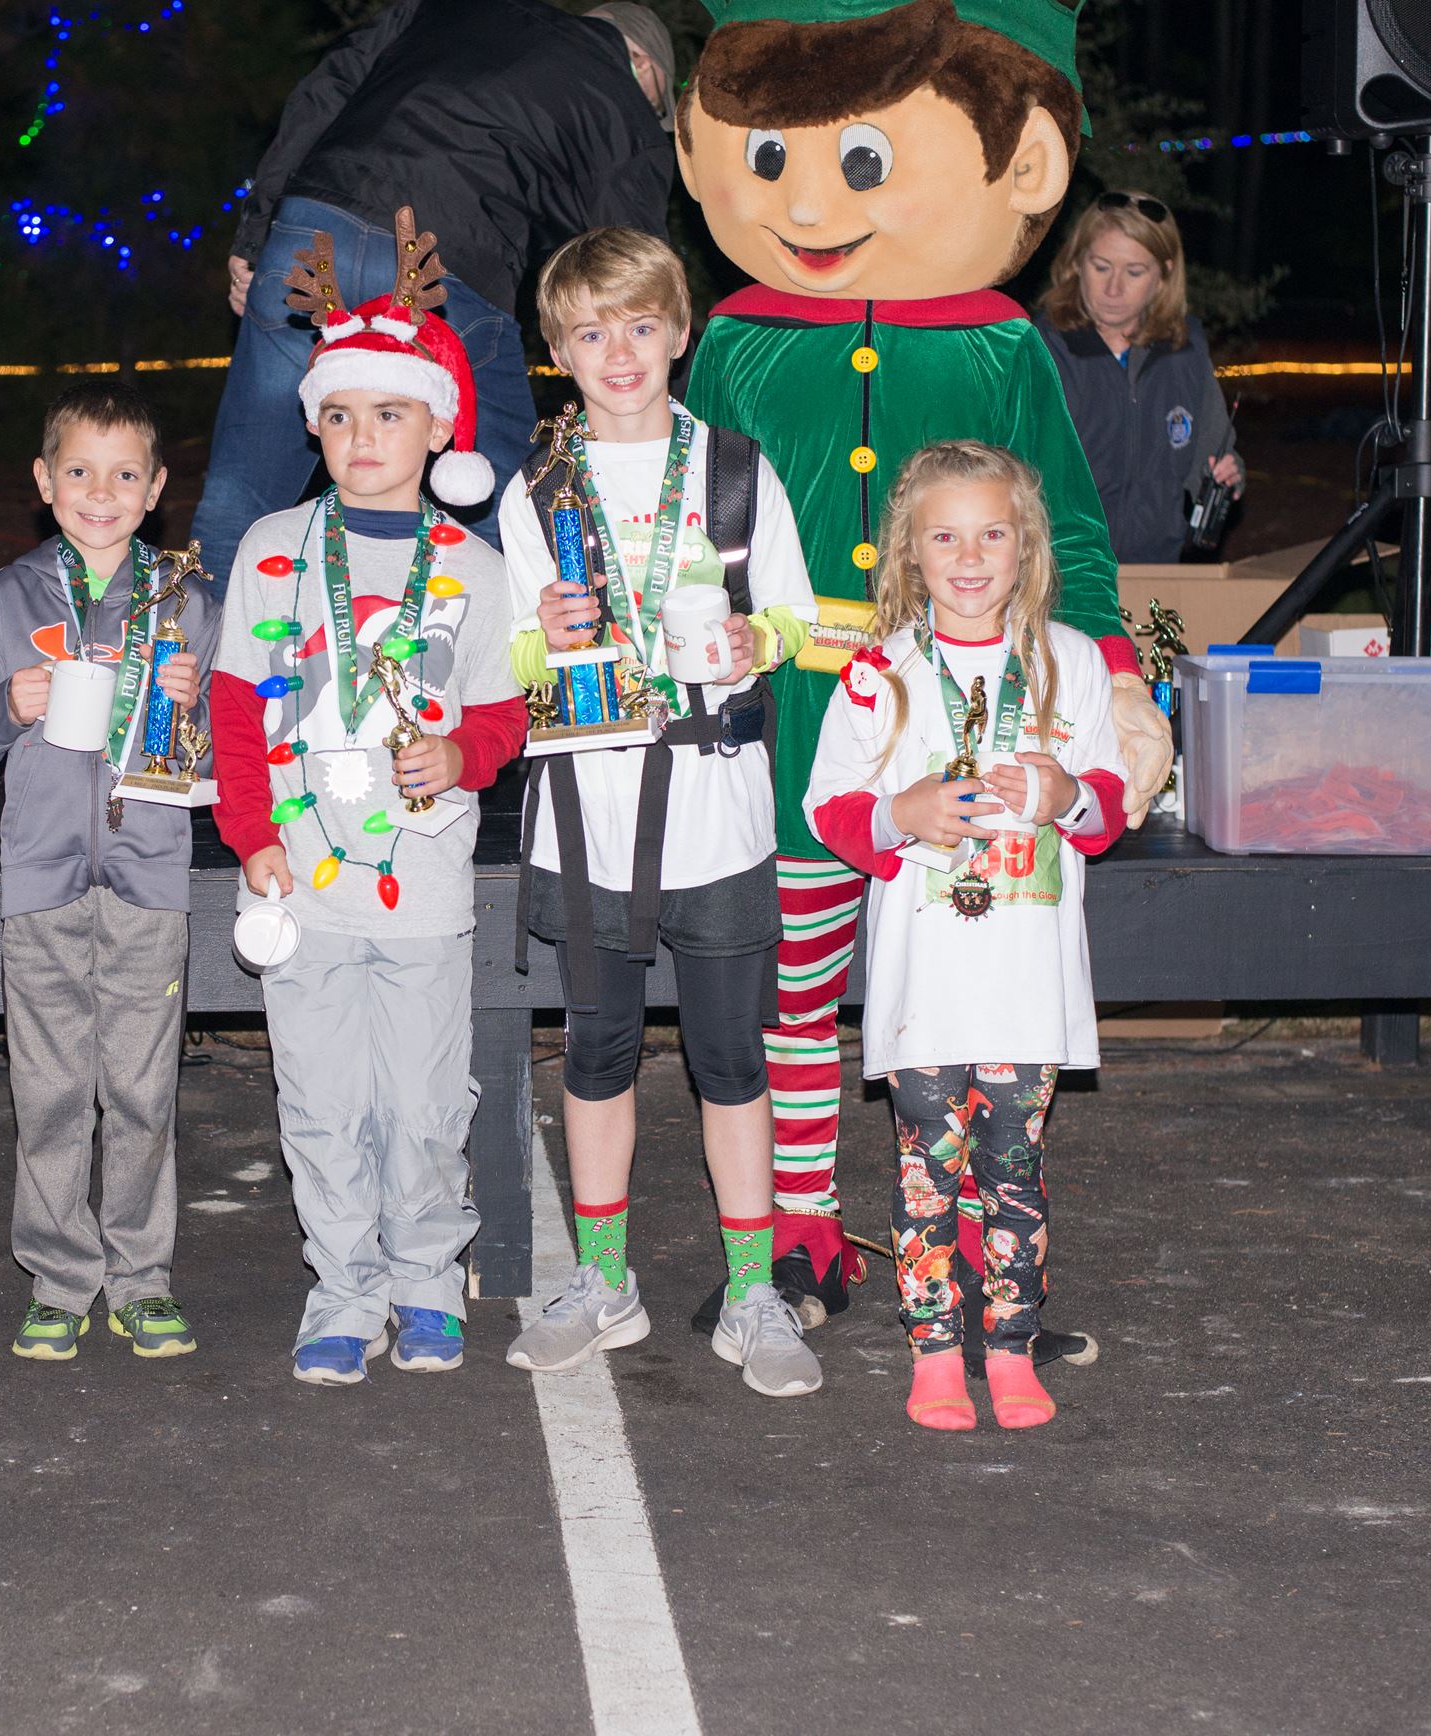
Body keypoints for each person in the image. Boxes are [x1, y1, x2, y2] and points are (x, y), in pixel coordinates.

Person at [673, 0, 1168, 1355]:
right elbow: (692, 519)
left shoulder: (1000, 344)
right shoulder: (735, 340)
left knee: (948, 1003)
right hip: (779, 723)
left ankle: (963, 1259)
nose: (817, 199)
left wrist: (1113, 674)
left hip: (956, 722)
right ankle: (799, 1230)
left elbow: (1064, 518)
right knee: (792, 986)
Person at [494, 229, 824, 1396]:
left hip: (718, 814)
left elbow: (793, 617)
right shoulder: (532, 489)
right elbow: (509, 659)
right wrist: (540, 624)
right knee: (597, 1051)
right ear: (557, 353)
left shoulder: (734, 467)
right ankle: (602, 1278)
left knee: (734, 1058)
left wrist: (752, 639)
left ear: (680, 332)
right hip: (587, 812)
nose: (617, 351)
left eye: (639, 324)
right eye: (589, 332)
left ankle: (749, 1289)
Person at [207, 216, 528, 1386]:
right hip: (303, 876)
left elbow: (503, 712)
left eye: (387, 413)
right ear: (312, 425)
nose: (360, 437)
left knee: (427, 1100)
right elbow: (237, 707)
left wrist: (463, 759)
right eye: (337, 414)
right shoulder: (271, 546)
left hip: (425, 877)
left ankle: (424, 1279)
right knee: (322, 1101)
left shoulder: (474, 568)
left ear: (437, 424)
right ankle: (341, 1289)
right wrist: (250, 835)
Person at [801, 441, 1127, 1431]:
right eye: (944, 535)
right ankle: (934, 1349)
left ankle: (1012, 1344)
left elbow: (1108, 810)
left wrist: (1063, 791)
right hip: (926, 986)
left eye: (992, 533)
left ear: (1025, 547)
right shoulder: (875, 674)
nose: (969, 554)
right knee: (921, 1177)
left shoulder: (1067, 662)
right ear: (909, 552)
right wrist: (900, 811)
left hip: (1027, 987)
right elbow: (828, 808)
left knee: (1014, 1174)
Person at [192, 0, 677, 584]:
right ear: (644, 63)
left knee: (241, 484)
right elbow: (636, 275)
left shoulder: (446, 10)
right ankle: (533, 657)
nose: (650, 118)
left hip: (317, 230)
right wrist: (672, 401)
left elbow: (326, 88)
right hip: (446, 265)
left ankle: (186, 668)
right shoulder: (619, 98)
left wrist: (257, 230)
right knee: (505, 491)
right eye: (657, 107)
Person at [0, 384, 214, 1363]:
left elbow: (220, 765)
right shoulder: (8, 597)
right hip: (43, 877)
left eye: (122, 473)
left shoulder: (186, 600)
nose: (99, 490)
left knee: (141, 1090)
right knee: (51, 1088)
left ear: (153, 491)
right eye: (78, 471)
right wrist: (3, 705)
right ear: (42, 483)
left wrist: (188, 709)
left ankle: (141, 1278)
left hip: (147, 875)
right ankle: (60, 1277)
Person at [1036, 190, 1245, 563]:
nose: (1114, 288)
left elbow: (1214, 456)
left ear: (1164, 274)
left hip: (1157, 568)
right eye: (1101, 267)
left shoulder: (1185, 352)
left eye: (1134, 272)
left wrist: (1226, 476)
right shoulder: (1041, 351)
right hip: (1061, 576)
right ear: (1076, 263)